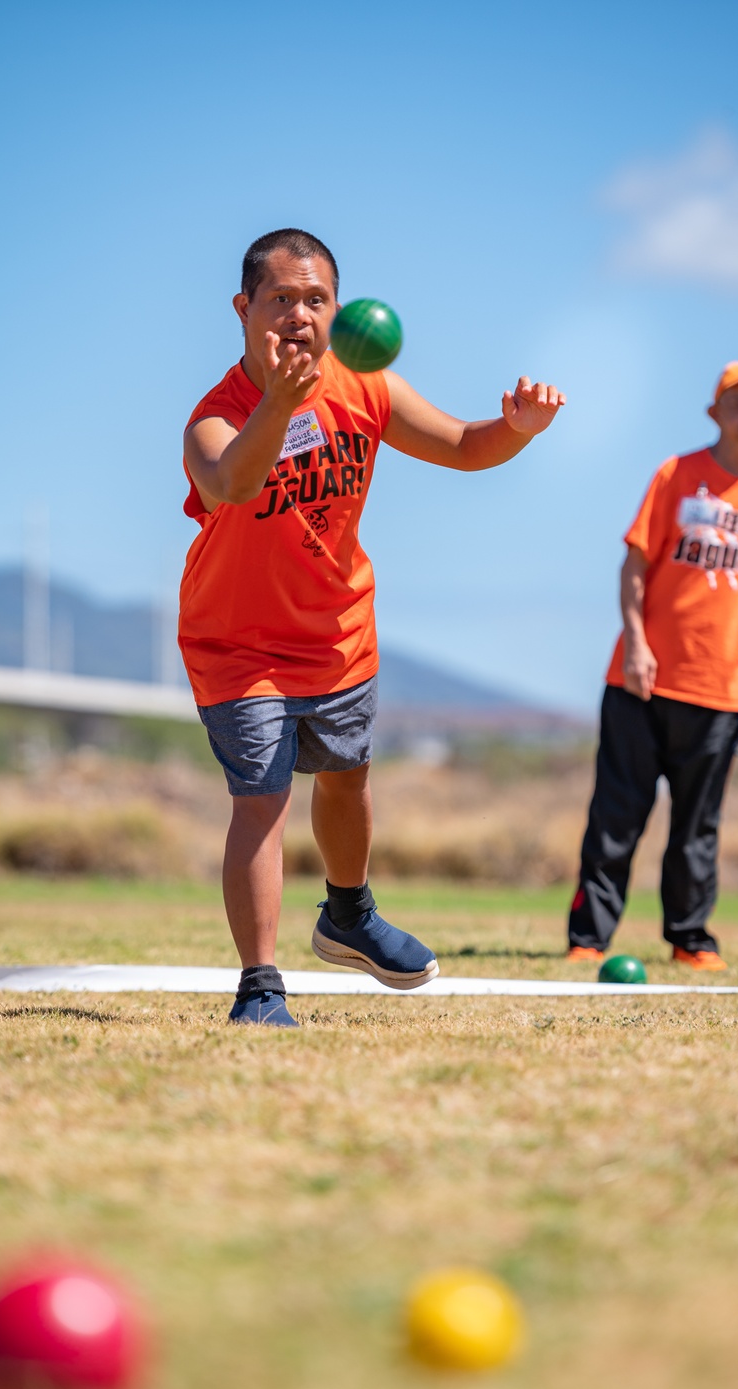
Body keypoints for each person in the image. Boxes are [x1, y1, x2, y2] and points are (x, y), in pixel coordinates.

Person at [180, 228, 564, 1026]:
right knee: (264, 799)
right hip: (239, 644)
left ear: (339, 311)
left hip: (338, 631)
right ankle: (260, 986)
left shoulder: (368, 384)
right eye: (280, 299)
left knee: (347, 780)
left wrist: (519, 429)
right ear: (243, 309)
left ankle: (348, 915)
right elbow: (231, 484)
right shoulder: (214, 418)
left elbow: (463, 445)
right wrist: (280, 405)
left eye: (315, 300)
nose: (298, 315)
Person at [567, 359, 738, 973]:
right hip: (640, 682)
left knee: (698, 828)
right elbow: (634, 565)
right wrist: (637, 642)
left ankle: (690, 938)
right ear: (714, 411)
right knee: (617, 817)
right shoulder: (677, 475)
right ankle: (588, 937)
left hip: (719, 693)